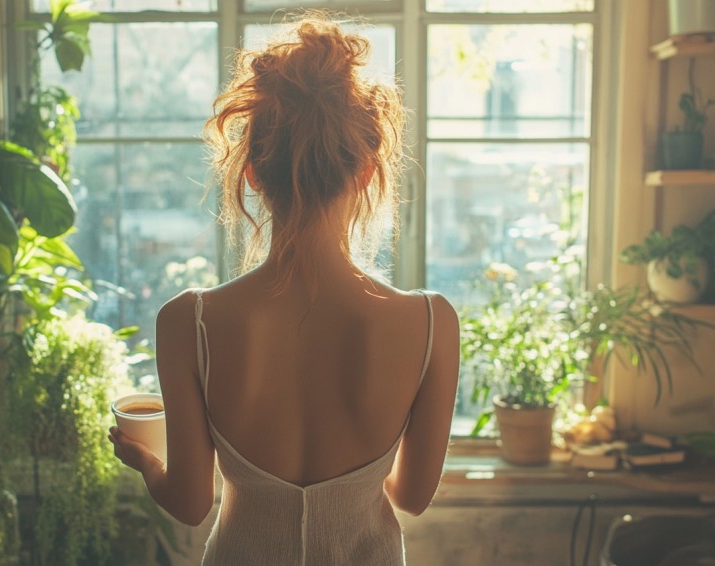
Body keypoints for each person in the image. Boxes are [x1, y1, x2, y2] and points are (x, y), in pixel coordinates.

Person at [109, 12, 460, 565]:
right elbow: (411, 497)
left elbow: (191, 502)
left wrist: (146, 462)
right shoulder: (432, 323)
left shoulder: (189, 322)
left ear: (251, 174)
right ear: (367, 172)